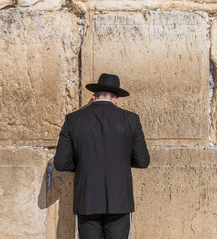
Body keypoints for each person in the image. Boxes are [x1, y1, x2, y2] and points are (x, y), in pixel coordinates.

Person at [54, 73, 150, 239]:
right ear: (116, 98)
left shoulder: (73, 120)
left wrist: (84, 163)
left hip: (87, 198)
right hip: (119, 199)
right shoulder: (131, 119)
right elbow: (142, 161)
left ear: (94, 96)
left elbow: (62, 163)